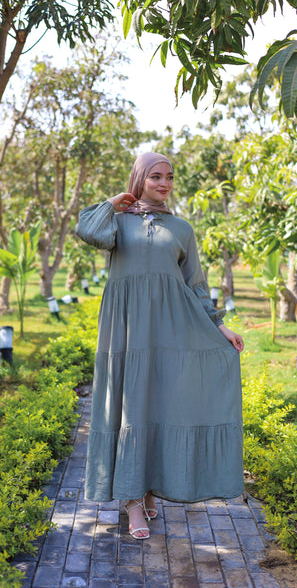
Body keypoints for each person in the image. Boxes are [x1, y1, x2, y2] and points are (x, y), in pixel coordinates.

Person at [75, 152, 244, 540]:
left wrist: (219, 327)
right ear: (139, 179)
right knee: (131, 405)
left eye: (169, 177)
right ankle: (133, 499)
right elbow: (86, 230)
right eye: (155, 176)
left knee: (160, 403)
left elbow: (195, 284)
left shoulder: (182, 228)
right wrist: (113, 202)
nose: (164, 183)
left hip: (170, 329)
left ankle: (149, 486)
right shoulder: (116, 222)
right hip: (125, 327)